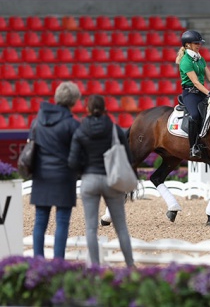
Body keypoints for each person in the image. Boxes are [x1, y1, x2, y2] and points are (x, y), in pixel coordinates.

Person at [68, 95, 135, 267]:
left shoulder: (81, 130)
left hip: (90, 179)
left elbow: (73, 162)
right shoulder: (114, 129)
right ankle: (130, 265)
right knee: (121, 228)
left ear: (87, 109)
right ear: (105, 109)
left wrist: (85, 170)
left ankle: (95, 268)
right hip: (112, 180)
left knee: (91, 228)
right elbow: (127, 157)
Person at [30, 81, 81, 259]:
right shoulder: (72, 125)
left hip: (41, 176)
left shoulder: (37, 121)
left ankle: (38, 261)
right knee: (62, 222)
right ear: (74, 101)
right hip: (64, 177)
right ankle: (58, 263)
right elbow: (78, 154)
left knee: (39, 222)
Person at [176, 30, 210, 158]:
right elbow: (196, 83)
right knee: (195, 116)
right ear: (187, 45)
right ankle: (193, 147)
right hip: (190, 94)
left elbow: (209, 76)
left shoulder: (200, 58)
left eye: (199, 43)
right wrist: (209, 93)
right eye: (196, 43)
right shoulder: (185, 61)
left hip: (201, 93)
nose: (199, 45)